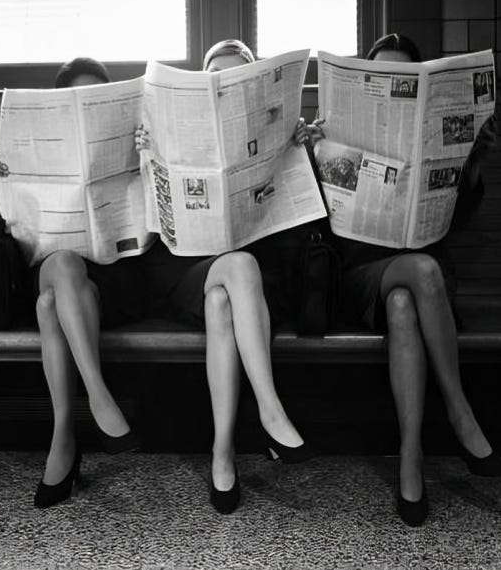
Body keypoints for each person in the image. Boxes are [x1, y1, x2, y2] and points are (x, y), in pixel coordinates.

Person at [304, 33, 501, 527]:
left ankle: (410, 459)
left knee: (404, 305)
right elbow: (316, 217)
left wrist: (473, 162)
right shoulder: (337, 133)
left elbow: (457, 222)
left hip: (419, 280)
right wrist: (312, 156)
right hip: (358, 274)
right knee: (423, 269)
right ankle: (459, 409)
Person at [135, 39, 314, 515]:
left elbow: (301, 225)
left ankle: (222, 452)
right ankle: (269, 408)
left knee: (224, 299)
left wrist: (298, 153)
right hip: (183, 267)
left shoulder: (277, 133)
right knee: (236, 266)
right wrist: (146, 154)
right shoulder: (166, 131)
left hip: (255, 284)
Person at [32, 57, 142, 509]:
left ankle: (63, 439)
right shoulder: (39, 145)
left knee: (48, 306)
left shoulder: (129, 141)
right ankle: (99, 396)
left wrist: (146, 158)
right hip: (52, 260)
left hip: (114, 275)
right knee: (60, 263)